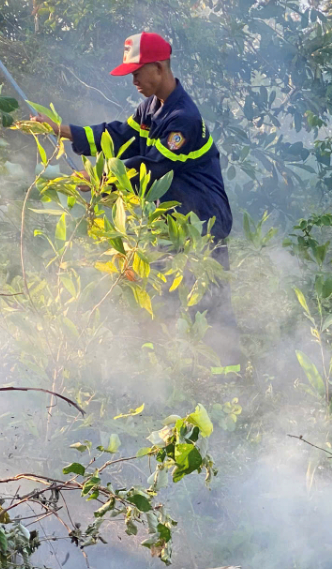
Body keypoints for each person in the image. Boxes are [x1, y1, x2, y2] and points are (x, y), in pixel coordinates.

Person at [33, 32, 240, 365]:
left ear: (158, 69)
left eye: (136, 72)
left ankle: (231, 375)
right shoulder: (152, 107)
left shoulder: (182, 118)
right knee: (162, 294)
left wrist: (102, 180)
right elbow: (121, 136)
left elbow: (153, 168)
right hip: (171, 219)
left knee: (211, 304)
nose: (132, 80)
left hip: (202, 220)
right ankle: (170, 371)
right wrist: (62, 129)